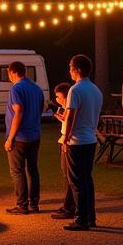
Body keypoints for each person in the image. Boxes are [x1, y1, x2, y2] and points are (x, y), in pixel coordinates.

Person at [61, 54, 104, 231]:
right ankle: (90, 217)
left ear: (77, 69)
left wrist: (66, 137)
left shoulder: (75, 90)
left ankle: (81, 219)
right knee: (87, 180)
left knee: (76, 181)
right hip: (90, 140)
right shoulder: (96, 90)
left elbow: (70, 116)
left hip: (77, 141)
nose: (69, 70)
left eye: (71, 67)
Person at [3, 60, 44, 214]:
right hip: (34, 135)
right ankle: (34, 203)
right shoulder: (36, 88)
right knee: (33, 169)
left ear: (12, 72)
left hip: (19, 137)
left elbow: (18, 111)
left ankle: (22, 205)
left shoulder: (16, 88)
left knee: (17, 171)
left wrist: (10, 138)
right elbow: (40, 110)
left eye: (8, 73)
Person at [50, 82, 78, 220]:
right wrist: (61, 118)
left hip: (68, 143)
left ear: (66, 96)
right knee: (66, 176)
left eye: (58, 96)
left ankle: (70, 207)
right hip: (64, 141)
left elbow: (71, 124)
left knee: (69, 176)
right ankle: (68, 205)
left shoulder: (70, 107)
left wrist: (66, 140)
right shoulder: (66, 108)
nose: (57, 99)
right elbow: (67, 121)